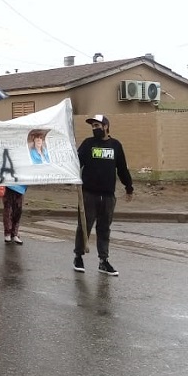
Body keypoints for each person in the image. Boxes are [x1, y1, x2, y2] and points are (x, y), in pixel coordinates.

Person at [73, 115, 133, 276]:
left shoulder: (115, 146)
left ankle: (103, 261)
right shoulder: (88, 144)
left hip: (108, 196)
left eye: (97, 125)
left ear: (106, 126)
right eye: (92, 126)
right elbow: (77, 163)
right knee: (84, 226)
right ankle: (78, 256)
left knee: (104, 228)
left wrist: (129, 187)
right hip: (88, 194)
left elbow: (122, 168)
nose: (94, 128)